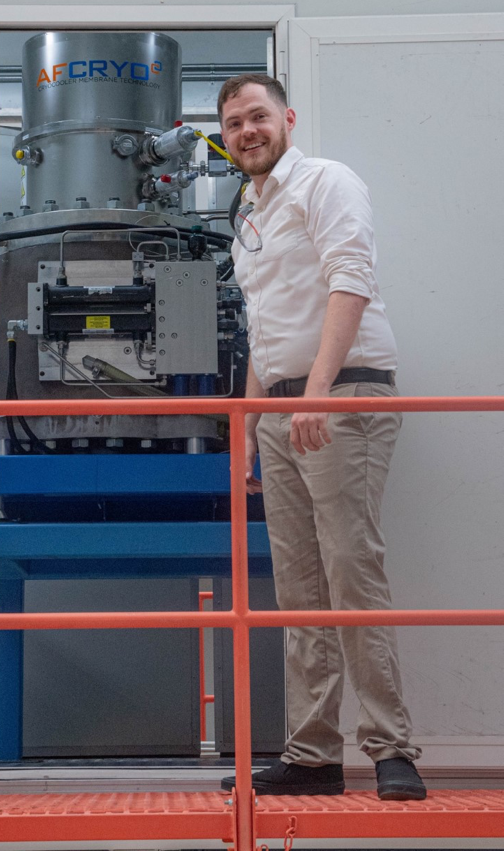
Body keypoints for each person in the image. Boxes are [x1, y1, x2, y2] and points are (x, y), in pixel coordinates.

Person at [217, 75, 426, 801]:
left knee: (350, 569)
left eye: (258, 117)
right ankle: (312, 753)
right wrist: (247, 424)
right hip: (280, 408)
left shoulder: (325, 182)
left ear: (287, 119)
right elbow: (262, 325)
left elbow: (351, 279)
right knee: (299, 586)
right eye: (235, 123)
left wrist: (315, 395)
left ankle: (391, 747)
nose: (248, 131)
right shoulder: (249, 208)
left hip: (341, 394)